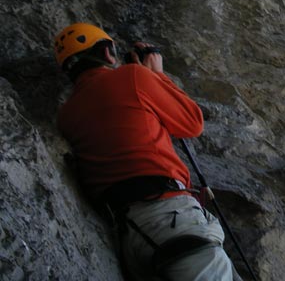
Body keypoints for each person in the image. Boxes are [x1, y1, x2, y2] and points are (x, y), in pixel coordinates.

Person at [53, 22, 234, 281]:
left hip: (129, 237)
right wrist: (156, 74)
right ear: (106, 53)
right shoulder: (132, 76)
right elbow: (191, 123)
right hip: (170, 218)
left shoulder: (66, 116)